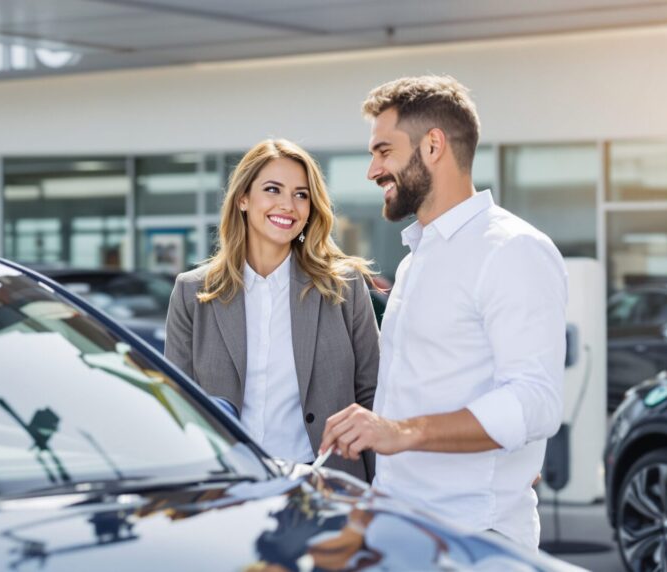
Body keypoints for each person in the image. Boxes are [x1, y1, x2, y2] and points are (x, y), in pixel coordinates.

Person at [318, 76, 568, 550]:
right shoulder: (416, 261)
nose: (372, 170)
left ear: (433, 146)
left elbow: (534, 402)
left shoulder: (513, 249)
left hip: (474, 540)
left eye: (383, 151)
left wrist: (398, 432)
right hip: (401, 527)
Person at [164, 139, 379, 482]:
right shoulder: (192, 292)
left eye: (301, 194)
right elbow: (178, 407)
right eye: (273, 190)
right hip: (228, 485)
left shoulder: (344, 287)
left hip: (327, 483)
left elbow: (372, 395)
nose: (288, 205)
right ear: (243, 199)